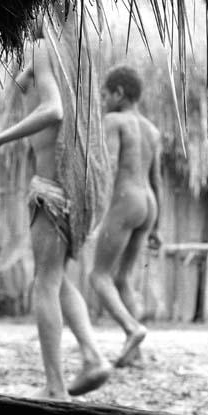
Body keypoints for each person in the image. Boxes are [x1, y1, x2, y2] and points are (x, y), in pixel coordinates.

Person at [0, 0, 112, 400]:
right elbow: (27, 88)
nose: (26, 15)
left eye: (32, 8)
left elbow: (52, 110)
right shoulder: (73, 57)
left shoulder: (43, 48)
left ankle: (55, 387)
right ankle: (92, 357)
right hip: (74, 188)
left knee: (44, 283)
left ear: (49, 9)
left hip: (52, 187)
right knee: (59, 278)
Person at [90, 64, 163, 368]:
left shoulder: (113, 120)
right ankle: (135, 353)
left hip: (125, 199)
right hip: (148, 204)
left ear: (119, 93)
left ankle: (132, 329)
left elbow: (108, 169)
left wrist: (96, 210)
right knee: (123, 278)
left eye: (106, 95)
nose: (104, 101)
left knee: (97, 276)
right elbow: (158, 180)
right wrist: (158, 225)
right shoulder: (151, 129)